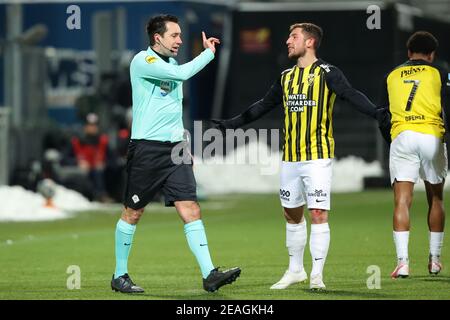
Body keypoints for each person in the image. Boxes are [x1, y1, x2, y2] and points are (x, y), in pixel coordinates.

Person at [213, 23, 384, 290]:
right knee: (291, 215)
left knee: (317, 212)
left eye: (294, 37)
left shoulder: (328, 73)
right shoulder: (285, 77)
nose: (287, 42)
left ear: (310, 42)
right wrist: (231, 124)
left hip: (317, 156)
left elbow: (350, 95)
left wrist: (377, 113)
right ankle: (295, 270)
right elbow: (262, 105)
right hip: (290, 158)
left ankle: (317, 275)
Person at [111, 14, 240, 294]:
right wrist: (208, 54)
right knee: (133, 212)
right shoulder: (143, 61)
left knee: (190, 207)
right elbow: (181, 75)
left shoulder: (170, 63)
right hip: (147, 149)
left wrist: (184, 143)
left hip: (175, 150)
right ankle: (119, 275)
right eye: (174, 35)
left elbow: (173, 111)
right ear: (157, 38)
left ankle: (209, 274)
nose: (180, 40)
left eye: (180, 35)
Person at [379, 31, 450, 278]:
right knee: (436, 198)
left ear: (409, 53)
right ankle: (435, 260)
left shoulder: (392, 74)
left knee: (402, 200)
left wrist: (392, 139)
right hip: (431, 134)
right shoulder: (440, 71)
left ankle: (403, 262)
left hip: (403, 136)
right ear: (431, 54)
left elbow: (382, 114)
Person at [71, 112, 111, 202]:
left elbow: (113, 159)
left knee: (99, 172)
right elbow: (65, 159)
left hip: (101, 174)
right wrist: (78, 162)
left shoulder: (103, 140)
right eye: (90, 125)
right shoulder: (76, 141)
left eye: (94, 125)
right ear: (85, 126)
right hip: (83, 173)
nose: (92, 128)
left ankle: (101, 196)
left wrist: (104, 163)